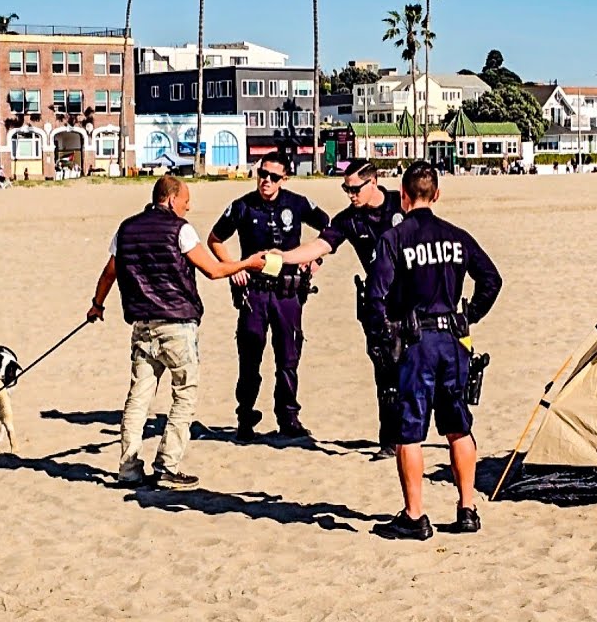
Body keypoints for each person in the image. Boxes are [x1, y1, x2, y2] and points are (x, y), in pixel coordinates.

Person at [88, 176, 266, 490]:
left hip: (142, 325)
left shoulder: (126, 228)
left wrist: (97, 305)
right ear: (171, 199)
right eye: (185, 200)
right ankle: (167, 465)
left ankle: (128, 469)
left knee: (138, 397)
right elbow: (212, 270)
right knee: (184, 395)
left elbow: (109, 272)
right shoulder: (180, 229)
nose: (188, 206)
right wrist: (247, 263)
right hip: (176, 324)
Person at [363, 161, 502, 540]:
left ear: (403, 196)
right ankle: (467, 508)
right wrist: (469, 314)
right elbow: (491, 279)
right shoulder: (457, 236)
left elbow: (375, 297)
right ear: (437, 195)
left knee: (410, 431)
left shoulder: (394, 239)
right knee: (458, 426)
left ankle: (415, 515)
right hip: (454, 340)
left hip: (416, 341)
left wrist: (383, 336)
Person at [278, 159, 405, 459]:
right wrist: (284, 257)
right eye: (345, 189)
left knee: (421, 373)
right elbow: (320, 245)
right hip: (379, 306)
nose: (350, 194)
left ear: (373, 182)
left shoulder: (402, 204)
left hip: (415, 300)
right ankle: (389, 442)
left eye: (354, 189)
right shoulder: (349, 219)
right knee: (385, 374)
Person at [207, 151, 330, 441]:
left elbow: (329, 229)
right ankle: (245, 417)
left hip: (288, 293)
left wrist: (314, 260)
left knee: (288, 357)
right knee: (250, 355)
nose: (266, 181)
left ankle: (288, 418)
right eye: (263, 174)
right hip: (255, 293)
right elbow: (215, 239)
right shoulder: (242, 207)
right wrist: (232, 268)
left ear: (284, 179)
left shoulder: (297, 204)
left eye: (274, 177)